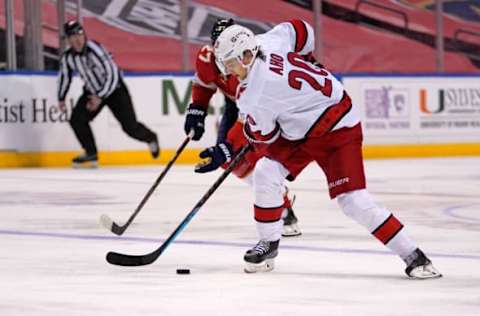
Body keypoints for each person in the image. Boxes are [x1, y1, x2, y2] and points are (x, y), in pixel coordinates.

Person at [213, 20, 442, 279]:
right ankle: (269, 245)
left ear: (246, 55)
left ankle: (415, 256)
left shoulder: (254, 92)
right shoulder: (267, 42)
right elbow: (299, 28)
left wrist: (249, 134)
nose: (229, 71)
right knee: (266, 171)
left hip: (336, 128)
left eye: (231, 63)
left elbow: (266, 135)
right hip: (304, 124)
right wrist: (308, 59)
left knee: (353, 201)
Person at [184, 18, 304, 237]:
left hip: (265, 109)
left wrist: (229, 144)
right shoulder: (207, 57)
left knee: (259, 161)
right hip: (235, 105)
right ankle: (277, 194)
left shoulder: (256, 64)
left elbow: (249, 115)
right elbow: (204, 83)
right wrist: (197, 108)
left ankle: (281, 204)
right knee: (228, 158)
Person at [57, 20, 159, 168]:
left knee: (130, 127)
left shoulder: (96, 49)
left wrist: (100, 96)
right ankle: (91, 153)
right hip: (92, 92)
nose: (78, 38)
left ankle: (150, 138)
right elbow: (64, 77)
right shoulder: (68, 57)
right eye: (73, 36)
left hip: (115, 90)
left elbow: (112, 74)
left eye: (79, 33)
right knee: (77, 119)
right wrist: (61, 98)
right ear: (68, 39)